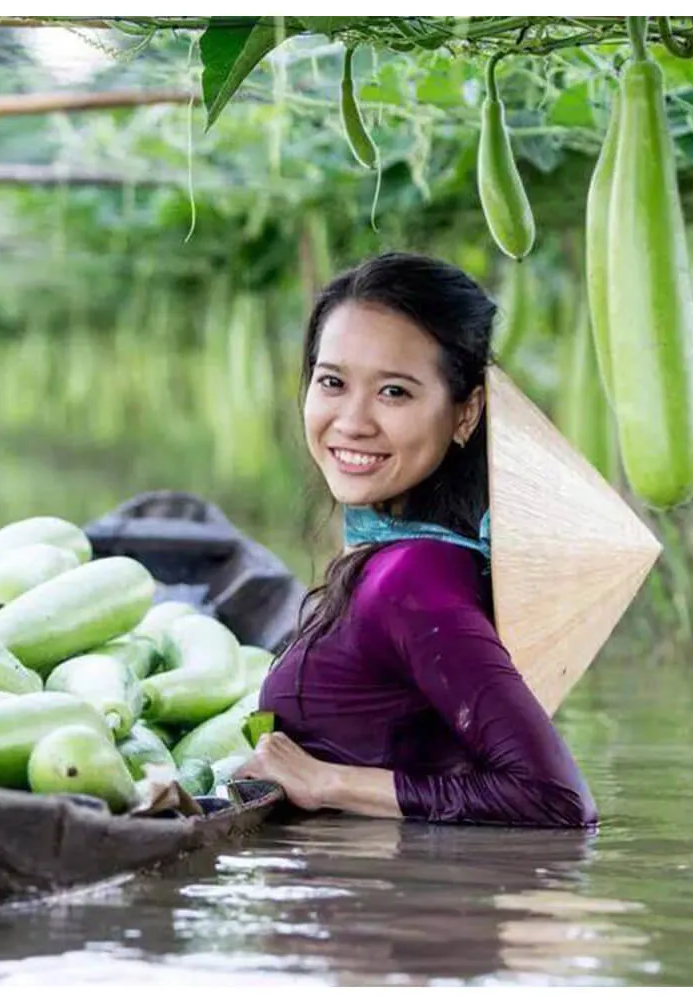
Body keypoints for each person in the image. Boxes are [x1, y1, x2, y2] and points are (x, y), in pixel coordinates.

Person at [233, 251, 598, 829]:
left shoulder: (412, 579)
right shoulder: (397, 559)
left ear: (465, 413)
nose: (352, 420)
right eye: (332, 382)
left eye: (394, 393)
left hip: (382, 911)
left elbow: (554, 800)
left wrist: (329, 781)